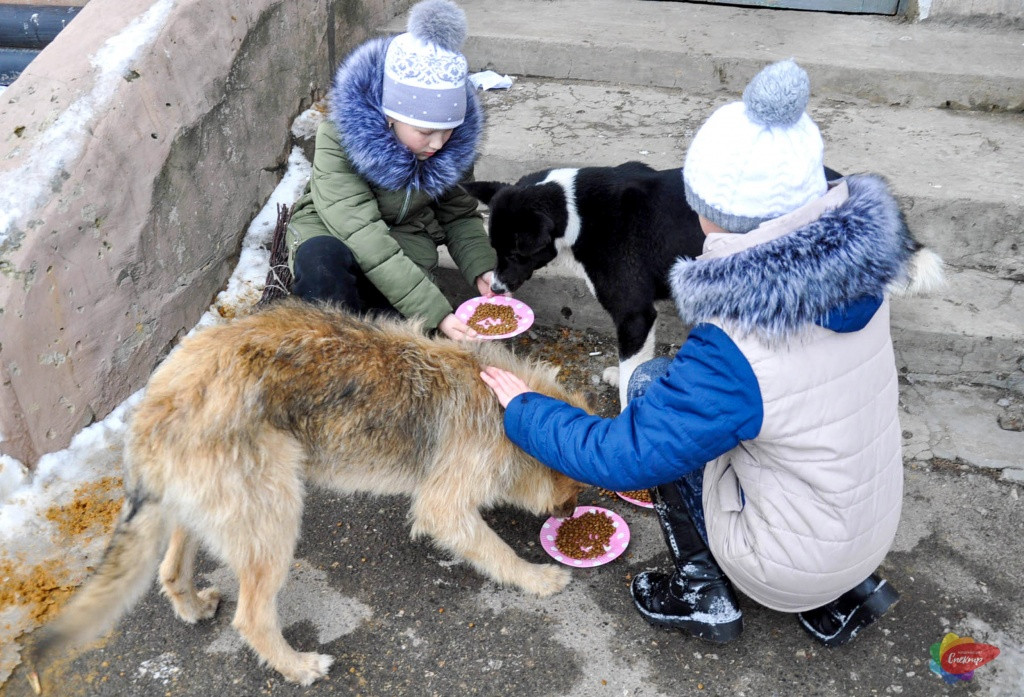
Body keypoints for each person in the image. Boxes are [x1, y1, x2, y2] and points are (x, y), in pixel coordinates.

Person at [480, 60, 939, 647]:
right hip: (869, 531)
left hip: (786, 563)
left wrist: (525, 410)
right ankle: (845, 593)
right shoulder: (866, 276)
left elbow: (625, 457)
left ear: (708, 211)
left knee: (649, 388)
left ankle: (704, 592)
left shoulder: (736, 343)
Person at [286, 0, 497, 340]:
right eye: (425, 131)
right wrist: (438, 312)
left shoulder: (451, 147)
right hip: (334, 233)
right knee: (322, 269)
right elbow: (361, 232)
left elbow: (458, 214)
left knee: (393, 334)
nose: (439, 143)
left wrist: (482, 268)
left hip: (406, 244)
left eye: (448, 131)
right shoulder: (340, 137)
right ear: (390, 116)